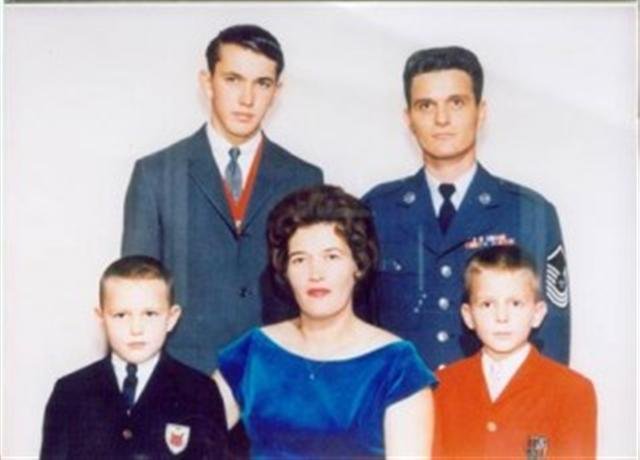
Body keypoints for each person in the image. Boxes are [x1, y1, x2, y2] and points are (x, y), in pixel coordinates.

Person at [121, 24, 323, 375]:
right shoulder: (155, 174)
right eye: (233, 79)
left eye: (262, 83)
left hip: (278, 378)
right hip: (183, 379)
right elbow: (135, 297)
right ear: (207, 81)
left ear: (277, 90)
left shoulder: (304, 178)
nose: (247, 98)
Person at [363, 46, 570, 370]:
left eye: (456, 103)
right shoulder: (377, 209)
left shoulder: (529, 212)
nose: (441, 119)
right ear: (408, 118)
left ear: (481, 111)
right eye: (426, 105)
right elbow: (358, 325)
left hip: (494, 412)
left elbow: (551, 337)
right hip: (400, 408)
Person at [213, 185, 436, 459]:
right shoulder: (252, 351)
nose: (315, 273)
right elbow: (188, 441)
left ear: (359, 264)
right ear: (284, 270)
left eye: (331, 256)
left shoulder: (398, 365)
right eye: (299, 259)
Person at [40, 255, 227, 459]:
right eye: (121, 315)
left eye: (150, 314)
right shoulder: (70, 392)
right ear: (101, 318)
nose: (136, 329)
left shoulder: (200, 392)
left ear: (171, 318)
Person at [433, 245, 596, 458]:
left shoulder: (572, 391)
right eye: (487, 304)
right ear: (468, 316)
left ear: (537, 313)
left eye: (516, 303)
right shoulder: (441, 387)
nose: (502, 316)